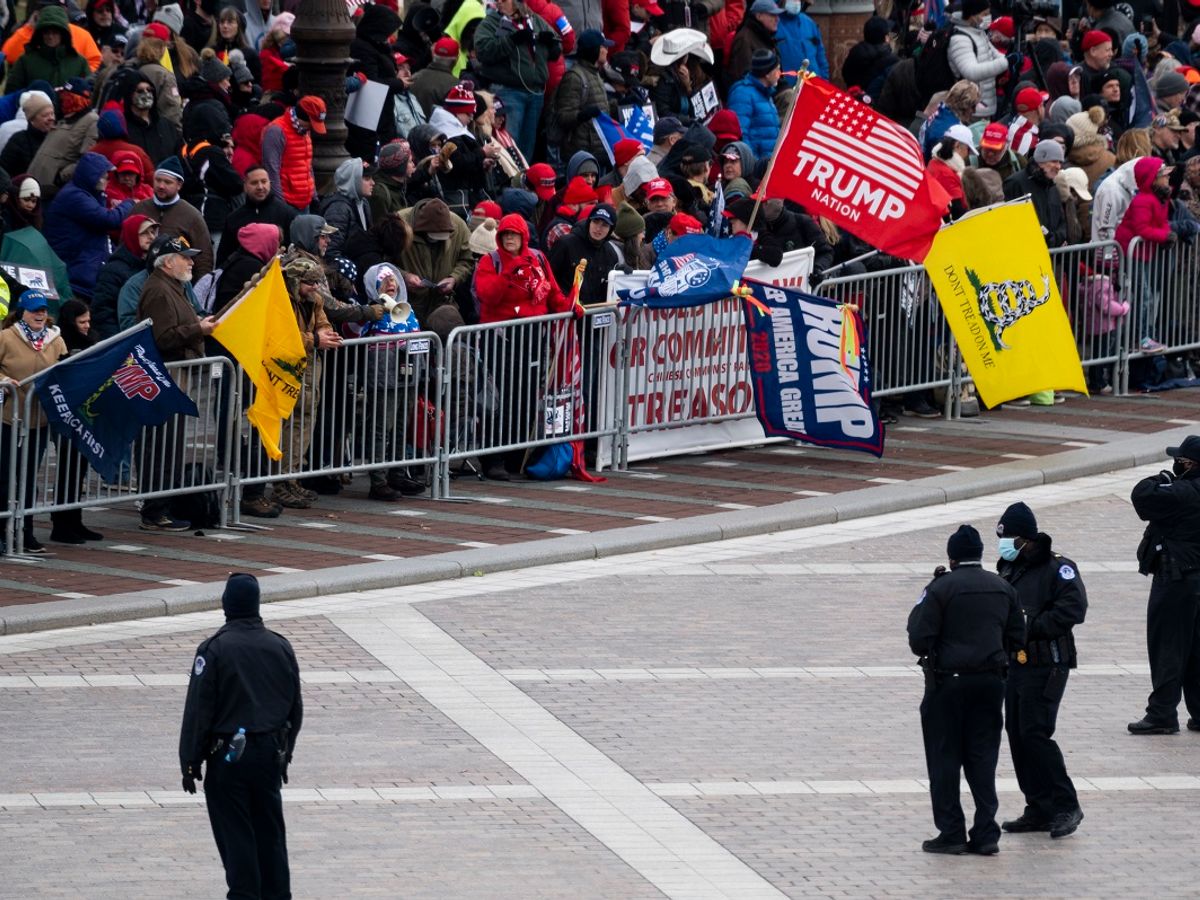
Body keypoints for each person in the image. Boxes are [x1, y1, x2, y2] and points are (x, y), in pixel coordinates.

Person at [179, 573, 303, 900]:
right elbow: (295, 707)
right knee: (270, 833)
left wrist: (190, 762)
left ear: (226, 604)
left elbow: (199, 711)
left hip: (229, 759)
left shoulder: (214, 650)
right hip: (269, 754)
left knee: (236, 837)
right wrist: (285, 754)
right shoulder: (280, 646)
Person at [907, 524, 1024, 855]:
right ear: (980, 555)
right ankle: (986, 833)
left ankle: (952, 832)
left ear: (952, 557)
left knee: (944, 758)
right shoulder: (1002, 587)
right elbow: (1018, 636)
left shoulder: (941, 588)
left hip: (948, 684)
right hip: (991, 683)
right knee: (983, 758)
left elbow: (919, 639)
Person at [993, 501, 1087, 840]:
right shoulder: (1008, 567)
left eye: (1009, 538)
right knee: (1017, 733)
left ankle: (1066, 804)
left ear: (1026, 539)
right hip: (1016, 665)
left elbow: (1074, 609)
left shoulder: (1058, 568)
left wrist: (1030, 626)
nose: (1003, 545)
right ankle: (1038, 806)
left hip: (1048, 662)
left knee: (1036, 732)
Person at [137, 235, 217, 531]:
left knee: (170, 443)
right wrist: (198, 329)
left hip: (174, 374)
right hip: (164, 374)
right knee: (161, 444)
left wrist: (196, 324)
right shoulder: (159, 290)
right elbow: (163, 337)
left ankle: (161, 506)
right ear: (169, 262)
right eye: (185, 257)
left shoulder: (173, 286)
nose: (191, 262)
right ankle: (155, 510)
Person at [1128, 435, 1200, 735]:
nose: (1174, 464)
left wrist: (1164, 477)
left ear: (1189, 464)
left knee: (1167, 645)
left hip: (1177, 580)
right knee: (1196, 648)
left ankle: (1161, 713)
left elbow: (1141, 495)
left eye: (1178, 461)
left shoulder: (1182, 492)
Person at [0, 290, 69, 554]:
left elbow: (65, 367)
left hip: (38, 419)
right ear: (22, 313)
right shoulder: (6, 337)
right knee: (6, 477)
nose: (40, 314)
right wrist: (4, 380)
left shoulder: (55, 339)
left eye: (43, 310)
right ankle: (3, 532)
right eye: (34, 310)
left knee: (29, 478)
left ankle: (25, 532)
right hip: (9, 417)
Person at [132, 156, 216, 280]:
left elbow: (204, 258)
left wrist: (198, 290)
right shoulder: (139, 209)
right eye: (158, 180)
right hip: (139, 279)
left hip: (176, 283)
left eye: (167, 182)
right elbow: (125, 245)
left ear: (179, 185)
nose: (161, 186)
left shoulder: (191, 215)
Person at [262, 95, 326, 212]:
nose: (312, 128)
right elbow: (272, 170)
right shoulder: (276, 131)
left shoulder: (304, 131)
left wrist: (314, 197)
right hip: (287, 203)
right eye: (311, 123)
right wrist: (281, 205)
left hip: (305, 201)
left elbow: (307, 167)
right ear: (302, 116)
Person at [947, 0, 1009, 119]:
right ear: (971, 15)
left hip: (984, 106)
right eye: (984, 14)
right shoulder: (960, 39)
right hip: (969, 111)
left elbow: (995, 55)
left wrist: (1011, 57)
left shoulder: (979, 33)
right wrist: (1006, 62)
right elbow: (971, 72)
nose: (987, 17)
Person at [726, 49, 782, 159]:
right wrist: (753, 163)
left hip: (768, 165)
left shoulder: (766, 93)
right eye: (777, 69)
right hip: (756, 168)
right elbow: (740, 133)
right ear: (767, 74)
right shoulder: (742, 94)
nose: (780, 73)